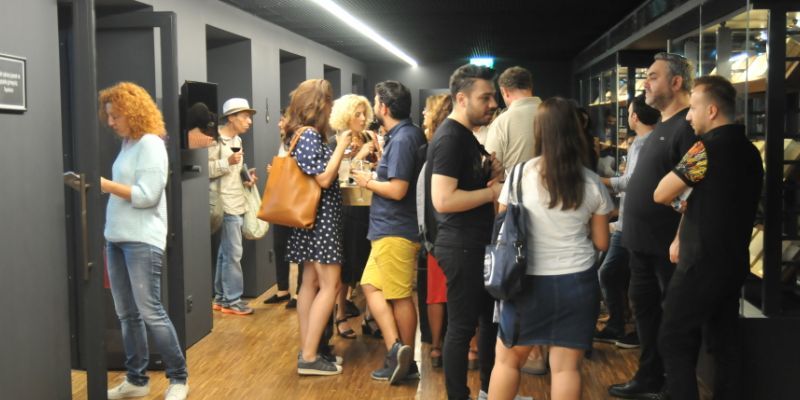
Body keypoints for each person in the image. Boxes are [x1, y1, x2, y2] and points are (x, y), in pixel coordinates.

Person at [488, 97, 613, 400]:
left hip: (525, 283)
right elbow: (601, 243)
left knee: (507, 362)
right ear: (576, 131)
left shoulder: (518, 175)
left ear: (539, 131)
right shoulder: (591, 182)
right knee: (566, 370)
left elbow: (503, 223)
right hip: (577, 284)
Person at [654, 75, 763, 400]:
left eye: (693, 108)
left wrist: (681, 200)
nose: (688, 116)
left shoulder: (704, 150)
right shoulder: (750, 151)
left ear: (712, 111)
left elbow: (661, 193)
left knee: (673, 336)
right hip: (733, 263)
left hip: (699, 264)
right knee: (724, 342)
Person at [609, 52, 697, 399]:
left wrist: (680, 236)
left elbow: (694, 188)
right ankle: (649, 377)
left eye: (653, 76)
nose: (645, 83)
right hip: (642, 243)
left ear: (676, 82)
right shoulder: (663, 125)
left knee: (674, 321)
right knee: (646, 315)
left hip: (667, 247)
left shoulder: (687, 127)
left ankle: (675, 386)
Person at [99, 82, 188, 400]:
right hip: (116, 238)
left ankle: (178, 379)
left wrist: (106, 185)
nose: (111, 122)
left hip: (141, 240)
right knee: (127, 314)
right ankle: (136, 381)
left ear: (133, 113)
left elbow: (148, 196)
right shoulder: (128, 143)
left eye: (116, 116)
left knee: (150, 311)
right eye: (109, 116)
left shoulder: (150, 144)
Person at [428, 63, 503, 400]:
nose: (493, 104)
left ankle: (488, 391)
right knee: (461, 327)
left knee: (488, 321)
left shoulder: (465, 137)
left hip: (474, 243)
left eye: (493, 97)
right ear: (461, 99)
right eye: (485, 97)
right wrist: (491, 192)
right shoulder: (450, 138)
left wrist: (489, 173)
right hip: (461, 246)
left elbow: (464, 187)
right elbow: (443, 199)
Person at [352, 81, 426, 383]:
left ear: (383, 107)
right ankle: (397, 349)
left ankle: (406, 365)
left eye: (375, 102)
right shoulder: (405, 134)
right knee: (370, 285)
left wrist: (366, 181)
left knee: (399, 297)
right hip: (389, 228)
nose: (373, 108)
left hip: (396, 229)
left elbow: (397, 190)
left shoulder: (404, 138)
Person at [284, 79, 351, 376]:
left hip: (311, 219)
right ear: (319, 104)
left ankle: (308, 349)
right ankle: (310, 356)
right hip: (320, 220)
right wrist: (341, 147)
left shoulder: (301, 133)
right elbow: (323, 179)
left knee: (309, 283)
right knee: (330, 285)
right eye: (329, 101)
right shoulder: (310, 135)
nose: (332, 107)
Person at [595, 94, 660, 348]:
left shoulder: (642, 144)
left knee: (610, 273)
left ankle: (619, 326)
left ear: (634, 116)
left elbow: (630, 182)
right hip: (636, 221)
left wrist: (597, 181)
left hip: (631, 222)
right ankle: (624, 325)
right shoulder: (648, 141)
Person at [329, 94, 377, 339]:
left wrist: (376, 155)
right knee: (345, 266)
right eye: (357, 114)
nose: (362, 118)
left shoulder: (369, 137)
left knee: (369, 264)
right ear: (345, 115)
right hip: (346, 209)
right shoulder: (335, 141)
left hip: (370, 207)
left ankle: (370, 316)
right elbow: (334, 176)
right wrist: (359, 156)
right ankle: (340, 316)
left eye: (364, 113)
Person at [209, 98, 258, 316]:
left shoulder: (237, 139)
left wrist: (246, 177)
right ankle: (233, 301)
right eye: (245, 116)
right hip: (226, 203)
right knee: (233, 253)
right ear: (231, 117)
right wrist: (226, 162)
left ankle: (221, 298)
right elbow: (206, 169)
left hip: (238, 200)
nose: (249, 121)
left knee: (226, 252)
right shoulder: (215, 140)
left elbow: (235, 170)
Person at [421, 93, 453, 369]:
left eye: (427, 111)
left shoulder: (430, 148)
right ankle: (471, 348)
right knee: (465, 292)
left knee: (436, 292)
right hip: (457, 228)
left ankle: (435, 347)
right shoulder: (462, 144)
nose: (423, 115)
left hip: (435, 232)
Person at [264, 109, 298, 308]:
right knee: (279, 245)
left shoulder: (299, 141)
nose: (279, 124)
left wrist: (278, 169)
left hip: (296, 201)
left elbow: (297, 170)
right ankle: (283, 290)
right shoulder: (284, 142)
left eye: (282, 119)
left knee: (299, 247)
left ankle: (299, 294)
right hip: (282, 199)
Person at [485, 66, 542, 171]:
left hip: (515, 181)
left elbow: (490, 168)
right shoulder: (556, 115)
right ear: (531, 87)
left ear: (504, 91)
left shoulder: (501, 123)